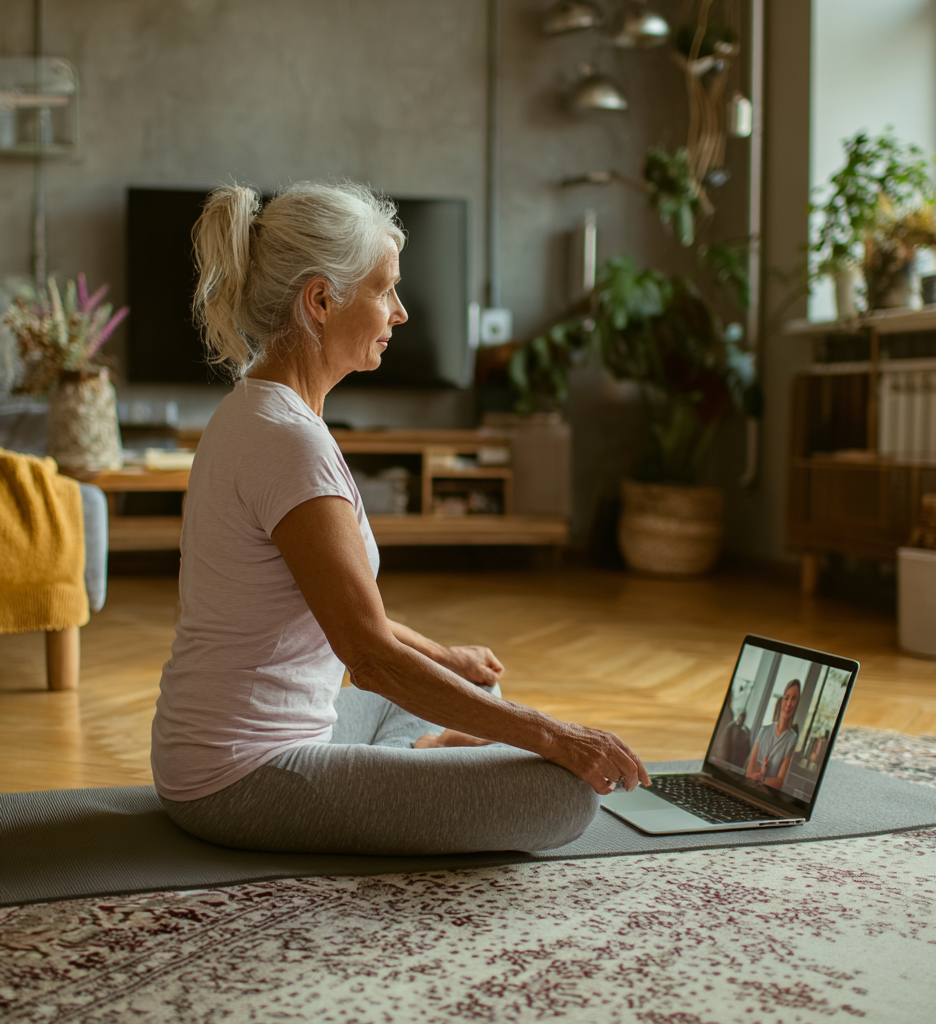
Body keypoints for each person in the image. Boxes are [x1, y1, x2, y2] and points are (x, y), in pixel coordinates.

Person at [151, 181, 649, 857]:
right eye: (385, 289)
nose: (402, 312)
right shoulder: (290, 444)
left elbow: (352, 623)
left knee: (473, 685)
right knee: (561, 798)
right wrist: (552, 734)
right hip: (242, 776)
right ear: (321, 301)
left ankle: (427, 751)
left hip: (219, 746)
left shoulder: (255, 408)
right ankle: (432, 757)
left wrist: (448, 660)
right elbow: (370, 659)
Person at [745, 680, 801, 790]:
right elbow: (748, 773)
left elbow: (779, 782)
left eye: (794, 699)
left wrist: (759, 778)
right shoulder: (764, 730)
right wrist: (761, 779)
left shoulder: (792, 738)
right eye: (787, 697)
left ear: (797, 704)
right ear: (781, 700)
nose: (789, 703)